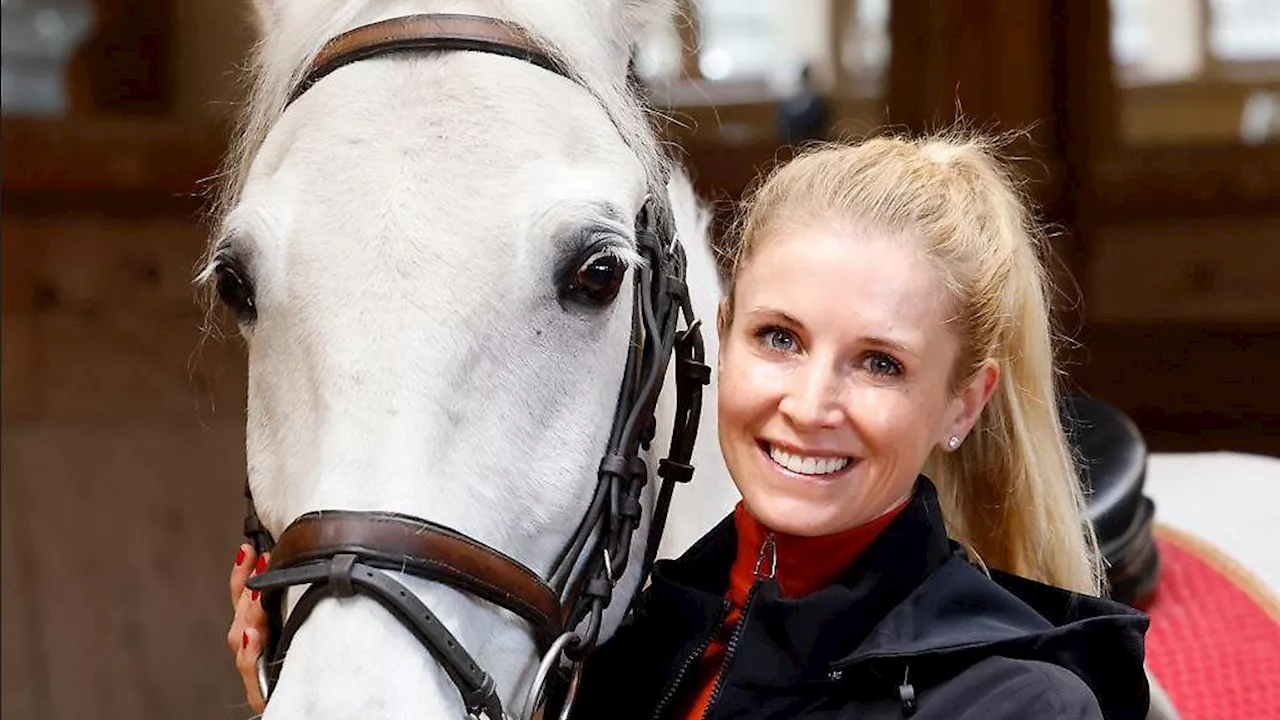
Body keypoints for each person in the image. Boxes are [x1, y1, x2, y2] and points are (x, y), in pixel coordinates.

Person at [227, 132, 1150, 719]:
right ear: (722, 337)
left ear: (963, 403)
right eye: (779, 338)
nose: (810, 404)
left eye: (879, 363)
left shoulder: (1019, 705)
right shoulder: (615, 652)